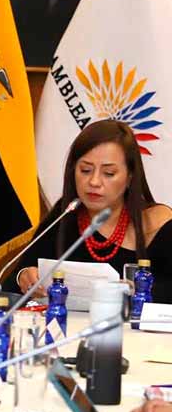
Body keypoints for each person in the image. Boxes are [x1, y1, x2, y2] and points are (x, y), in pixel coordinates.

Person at [9, 120, 172, 302]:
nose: (94, 182)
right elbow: (11, 281)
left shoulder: (156, 222)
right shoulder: (67, 213)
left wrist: (136, 290)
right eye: (85, 170)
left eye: (108, 173)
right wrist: (23, 277)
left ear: (129, 177)